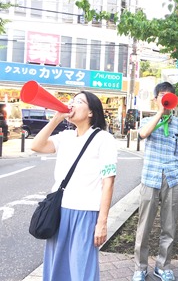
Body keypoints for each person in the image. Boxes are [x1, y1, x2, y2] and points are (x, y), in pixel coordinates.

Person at [31, 91, 117, 281]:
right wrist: (56, 119)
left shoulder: (104, 139)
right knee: (57, 266)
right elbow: (36, 146)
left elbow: (108, 182)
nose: (72, 104)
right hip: (59, 211)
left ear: (91, 112)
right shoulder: (66, 136)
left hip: (86, 213)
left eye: (79, 101)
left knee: (82, 269)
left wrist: (102, 223)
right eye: (72, 101)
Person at [132, 82, 178, 281]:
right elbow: (143, 134)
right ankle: (140, 268)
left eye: (169, 96)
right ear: (155, 99)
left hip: (173, 178)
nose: (166, 99)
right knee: (144, 225)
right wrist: (160, 113)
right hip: (150, 177)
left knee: (169, 225)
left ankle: (163, 265)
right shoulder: (148, 121)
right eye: (161, 95)